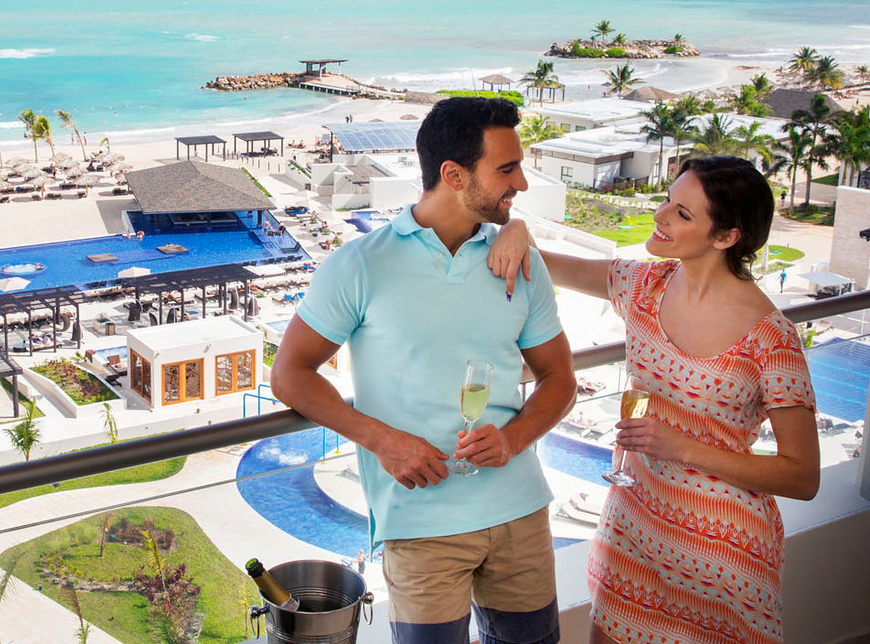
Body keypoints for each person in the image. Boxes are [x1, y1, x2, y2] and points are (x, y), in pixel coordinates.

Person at [271, 97, 575, 644]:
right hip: (419, 523)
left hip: (520, 512)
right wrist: (382, 440)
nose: (522, 183)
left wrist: (513, 439)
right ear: (453, 175)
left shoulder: (520, 262)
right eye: (507, 169)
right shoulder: (360, 265)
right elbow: (290, 375)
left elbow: (560, 379)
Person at [488, 156, 819, 644]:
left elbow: (803, 476)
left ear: (726, 236)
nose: (660, 215)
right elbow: (542, 263)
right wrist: (516, 226)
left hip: (723, 551)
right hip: (634, 526)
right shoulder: (642, 285)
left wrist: (680, 447)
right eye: (667, 200)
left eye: (682, 213)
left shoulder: (772, 338)